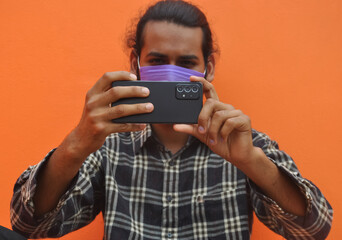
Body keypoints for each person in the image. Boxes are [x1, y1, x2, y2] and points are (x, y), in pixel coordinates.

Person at [10, 0, 333, 239]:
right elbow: (29, 224)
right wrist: (76, 144)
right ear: (136, 64)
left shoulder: (244, 143)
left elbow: (315, 228)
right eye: (158, 60)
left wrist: (251, 162)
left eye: (187, 62)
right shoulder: (109, 146)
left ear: (209, 68)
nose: (172, 73)